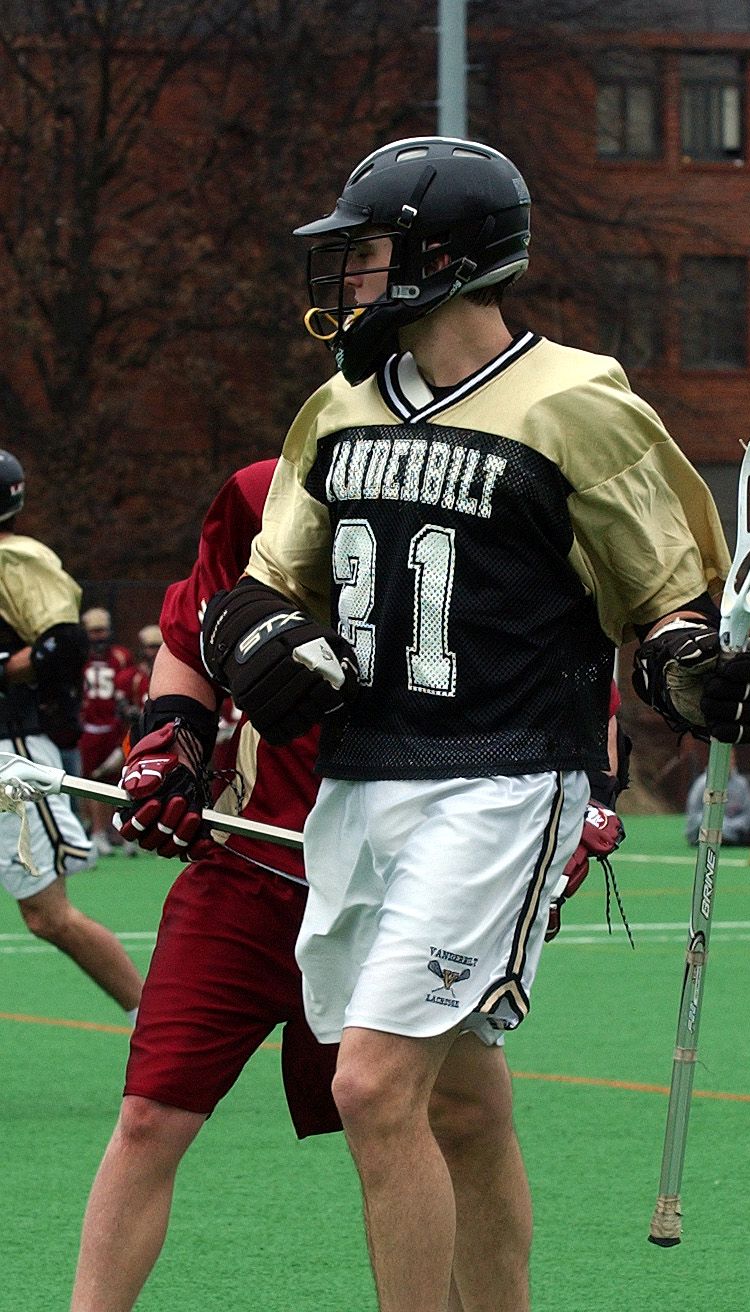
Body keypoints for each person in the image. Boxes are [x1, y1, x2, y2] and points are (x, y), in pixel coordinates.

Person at [188, 137, 750, 1311]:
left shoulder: (574, 400)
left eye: (369, 250)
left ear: (441, 260)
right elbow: (265, 582)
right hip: (361, 779)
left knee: (370, 1086)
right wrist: (254, 638)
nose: (350, 274)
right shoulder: (338, 406)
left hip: (501, 780)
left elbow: (661, 603)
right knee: (457, 1102)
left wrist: (695, 673)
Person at [69, 461, 345, 1312]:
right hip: (250, 867)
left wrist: (589, 786)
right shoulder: (266, 489)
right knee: (150, 1114)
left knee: (440, 1126)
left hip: (406, 878)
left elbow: (565, 656)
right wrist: (172, 744)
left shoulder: (494, 474)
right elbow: (192, 640)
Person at [0, 450, 142, 1025]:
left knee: (48, 915)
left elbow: (63, 645)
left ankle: (150, 1023)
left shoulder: (16, 560)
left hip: (9, 754)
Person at [78, 607, 133, 855]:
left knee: (118, 779)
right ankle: (97, 832)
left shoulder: (120, 656)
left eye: (101, 631)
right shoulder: (80, 656)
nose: (98, 636)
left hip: (114, 727)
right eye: (93, 631)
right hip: (89, 728)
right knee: (91, 781)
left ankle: (117, 831)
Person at [684, 749, 750, 846]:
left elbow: (749, 814)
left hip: (735, 826)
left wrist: (732, 825)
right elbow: (694, 816)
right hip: (705, 829)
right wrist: (722, 825)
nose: (730, 762)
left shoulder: (741, 784)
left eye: (731, 758)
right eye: (725, 758)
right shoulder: (703, 784)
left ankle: (729, 838)